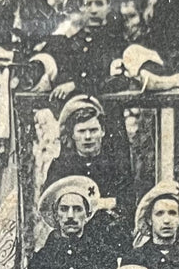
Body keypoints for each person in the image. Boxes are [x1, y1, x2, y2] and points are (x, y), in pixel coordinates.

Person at [43, 94, 135, 235]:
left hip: (109, 235)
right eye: (81, 131)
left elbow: (128, 203)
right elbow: (49, 205)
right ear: (73, 134)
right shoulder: (61, 166)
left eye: (93, 130)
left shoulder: (116, 166)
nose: (87, 137)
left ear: (102, 131)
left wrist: (110, 203)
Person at [26, 175, 115, 269]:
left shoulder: (103, 255)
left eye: (77, 209)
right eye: (64, 209)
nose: (70, 216)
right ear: (55, 215)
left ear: (88, 215)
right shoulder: (42, 258)